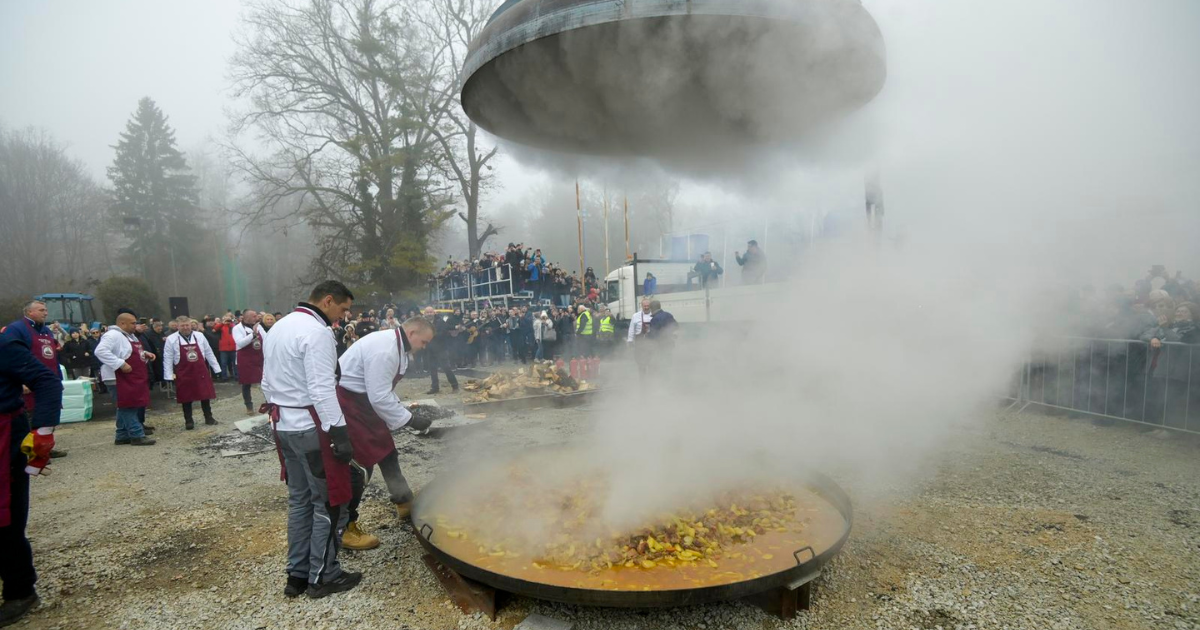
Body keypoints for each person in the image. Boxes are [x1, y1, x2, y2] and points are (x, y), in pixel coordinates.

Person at [261, 281, 359, 599]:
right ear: (327, 301)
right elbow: (321, 388)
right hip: (310, 427)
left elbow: (265, 380)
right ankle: (324, 576)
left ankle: (297, 575)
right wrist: (339, 433)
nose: (343, 317)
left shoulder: (279, 326)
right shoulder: (317, 332)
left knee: (299, 501)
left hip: (284, 425)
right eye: (342, 309)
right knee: (330, 503)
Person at [337, 317, 437, 550]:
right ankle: (345, 527)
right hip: (351, 406)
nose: (424, 346)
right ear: (412, 332)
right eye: (424, 341)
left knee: (387, 453)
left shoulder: (398, 345)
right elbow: (379, 397)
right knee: (361, 466)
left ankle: (403, 501)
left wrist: (401, 410)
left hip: (365, 405)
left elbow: (383, 391)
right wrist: (411, 420)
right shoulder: (386, 350)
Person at [0, 324, 62, 627]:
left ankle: (20, 590)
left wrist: (43, 430)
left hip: (3, 436)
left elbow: (46, 380)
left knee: (5, 517)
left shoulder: (5, 345)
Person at [94, 311, 157, 446]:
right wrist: (120, 364)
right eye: (133, 323)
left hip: (129, 377)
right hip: (116, 377)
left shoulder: (129, 336)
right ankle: (136, 435)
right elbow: (100, 351)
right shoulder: (112, 335)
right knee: (127, 406)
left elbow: (126, 351)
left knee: (126, 405)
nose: (136, 325)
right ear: (122, 323)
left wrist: (144, 354)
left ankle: (122, 435)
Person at [162, 317, 221, 430]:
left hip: (200, 371)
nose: (185, 327)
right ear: (177, 326)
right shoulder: (171, 339)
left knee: (205, 395)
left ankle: (209, 417)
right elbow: (168, 358)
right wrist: (168, 375)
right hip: (184, 372)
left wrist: (216, 369)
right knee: (186, 397)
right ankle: (189, 421)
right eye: (182, 325)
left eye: (187, 325)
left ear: (191, 325)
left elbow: (209, 352)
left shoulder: (199, 336)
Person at [233, 310, 268, 414]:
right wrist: (253, 334)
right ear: (246, 317)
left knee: (265, 381)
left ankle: (268, 402)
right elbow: (240, 343)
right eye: (253, 316)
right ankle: (249, 406)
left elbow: (266, 339)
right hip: (245, 359)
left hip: (259, 357)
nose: (256, 317)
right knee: (246, 383)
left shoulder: (259, 326)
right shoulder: (237, 328)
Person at [425, 308, 460, 394]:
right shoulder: (424, 323)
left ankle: (455, 386)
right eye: (427, 312)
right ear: (425, 313)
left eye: (431, 312)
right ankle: (435, 387)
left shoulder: (440, 322)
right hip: (430, 349)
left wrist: (432, 335)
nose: (429, 314)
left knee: (446, 368)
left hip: (441, 348)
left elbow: (444, 333)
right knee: (432, 369)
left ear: (434, 313)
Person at [627, 298, 655, 377]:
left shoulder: (653, 315)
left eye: (648, 306)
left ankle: (651, 377)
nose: (646, 307)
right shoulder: (635, 316)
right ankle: (642, 378)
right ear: (641, 306)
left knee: (651, 360)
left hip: (650, 342)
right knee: (640, 361)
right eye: (644, 306)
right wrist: (630, 340)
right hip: (639, 342)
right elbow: (631, 329)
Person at [213, 316, 238, 381]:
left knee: (235, 363)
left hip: (233, 348)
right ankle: (224, 377)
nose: (227, 322)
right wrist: (222, 323)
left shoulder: (233, 326)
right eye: (226, 320)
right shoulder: (221, 326)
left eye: (228, 320)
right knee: (223, 363)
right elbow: (215, 329)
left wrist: (231, 323)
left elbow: (236, 328)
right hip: (223, 349)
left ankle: (237, 376)